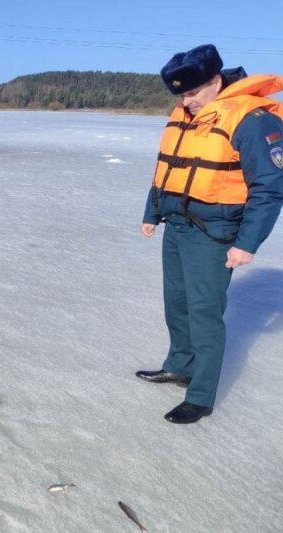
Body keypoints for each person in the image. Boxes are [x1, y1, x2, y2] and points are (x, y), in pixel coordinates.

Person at [138, 44, 283, 423]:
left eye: (192, 93)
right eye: (181, 94)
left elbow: (269, 188)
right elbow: (168, 169)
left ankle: (200, 396)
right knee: (178, 304)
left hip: (215, 234)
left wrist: (246, 243)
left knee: (204, 312)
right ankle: (180, 366)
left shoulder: (252, 120)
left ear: (216, 81)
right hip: (178, 226)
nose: (186, 102)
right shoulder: (188, 114)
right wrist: (152, 211)